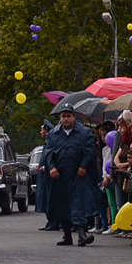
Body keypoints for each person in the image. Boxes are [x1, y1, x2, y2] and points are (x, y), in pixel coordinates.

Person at [45, 106, 97, 247]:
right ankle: (67, 235)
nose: (66, 119)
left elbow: (90, 151)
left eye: (68, 116)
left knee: (78, 203)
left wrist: (83, 166)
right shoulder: (53, 134)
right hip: (60, 176)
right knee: (62, 205)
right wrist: (52, 167)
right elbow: (48, 153)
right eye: (63, 116)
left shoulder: (84, 132)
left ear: (74, 117)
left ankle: (82, 234)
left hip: (77, 174)